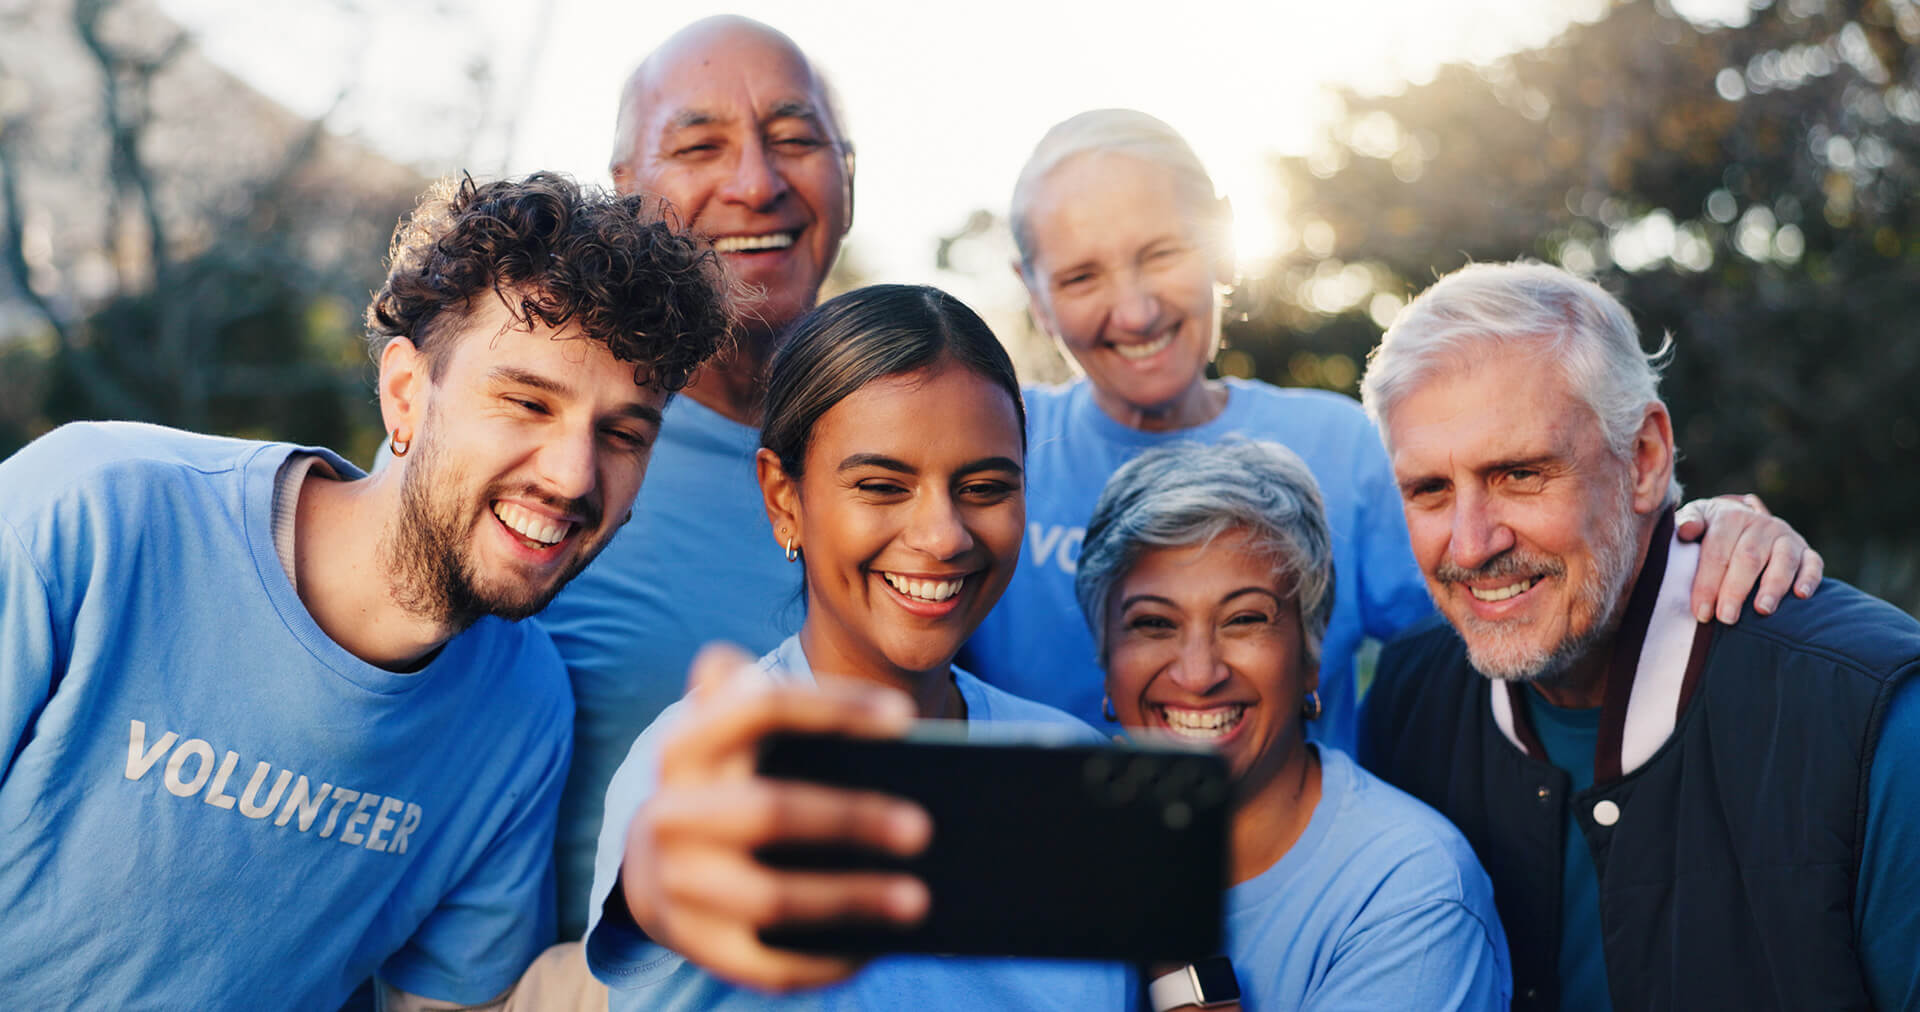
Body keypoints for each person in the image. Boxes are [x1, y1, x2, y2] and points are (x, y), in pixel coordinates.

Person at [0, 173, 728, 1007]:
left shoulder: (523, 707)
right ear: (405, 393)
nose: (573, 475)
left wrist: (661, 918)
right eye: (527, 402)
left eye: (622, 435)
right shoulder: (92, 513)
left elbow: (462, 1006)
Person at [963, 108, 1824, 753]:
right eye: (1080, 275)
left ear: (1222, 241)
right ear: (1031, 289)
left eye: (1162, 253)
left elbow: (1531, 592)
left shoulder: (1346, 450)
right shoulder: (989, 454)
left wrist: (1695, 533)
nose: (1137, 308)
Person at [1355, 261, 1920, 1011]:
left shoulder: (1873, 717)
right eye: (1429, 489)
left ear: (1645, 458)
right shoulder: (1407, 699)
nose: (1468, 545)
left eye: (1519, 474)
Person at [583, 285, 1131, 1008]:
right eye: (881, 485)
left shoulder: (1076, 770)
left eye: (985, 487)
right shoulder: (707, 757)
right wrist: (660, 877)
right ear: (785, 499)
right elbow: (662, 880)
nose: (943, 535)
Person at [537, 15, 856, 939]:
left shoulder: (933, 457)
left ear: (849, 174)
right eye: (700, 144)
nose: (756, 182)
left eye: (796, 139)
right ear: (626, 190)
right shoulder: (557, 464)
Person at [1077, 440, 1508, 1011]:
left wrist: (1174, 955)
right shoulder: (1048, 845)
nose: (1199, 674)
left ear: (1310, 653)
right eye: (1154, 623)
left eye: (1245, 619)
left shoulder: (1412, 893)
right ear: (1106, 659)